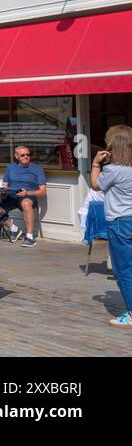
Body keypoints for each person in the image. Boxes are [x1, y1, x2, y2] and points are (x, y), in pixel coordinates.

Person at [92, 125, 132, 328]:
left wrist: (96, 163)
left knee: (123, 269)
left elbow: (96, 185)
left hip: (120, 221)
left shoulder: (113, 170)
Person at [0, 144, 47, 246]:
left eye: (27, 154)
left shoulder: (37, 169)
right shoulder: (10, 168)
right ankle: (13, 229)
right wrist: (2, 193)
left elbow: (43, 191)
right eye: (22, 155)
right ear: (16, 156)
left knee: (26, 203)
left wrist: (27, 193)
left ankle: (29, 237)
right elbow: (5, 186)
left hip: (28, 196)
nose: (26, 157)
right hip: (11, 196)